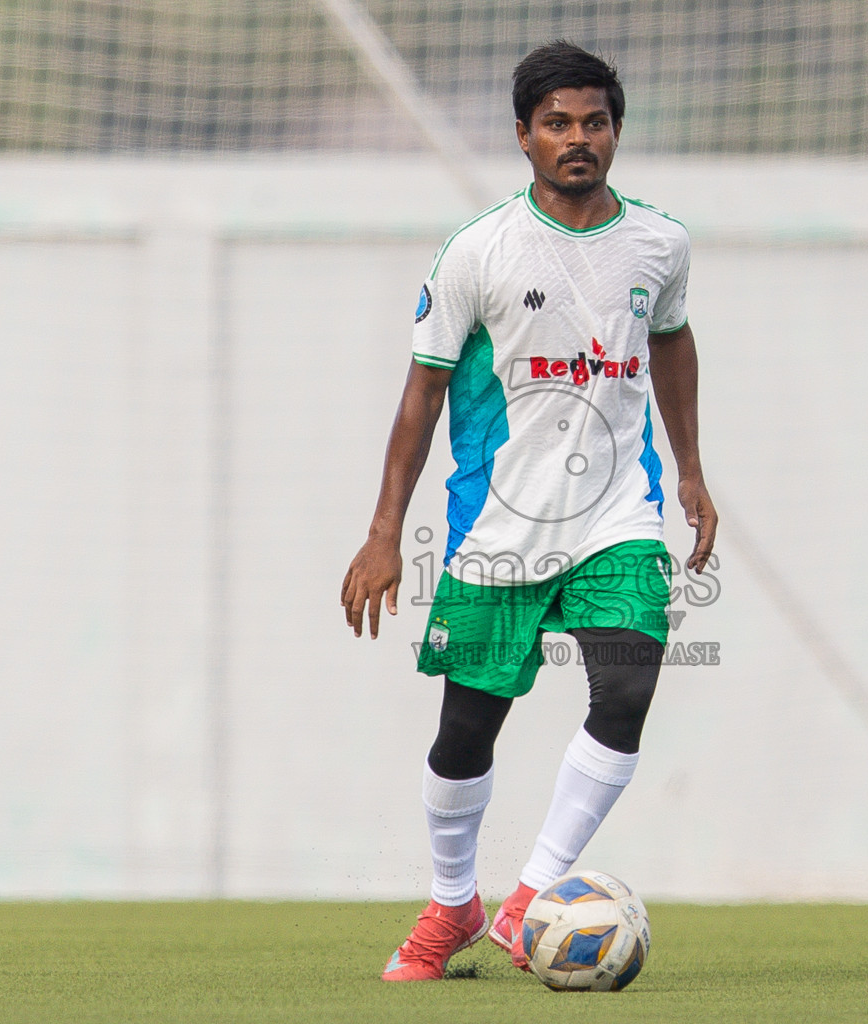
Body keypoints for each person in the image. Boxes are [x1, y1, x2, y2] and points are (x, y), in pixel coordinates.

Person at [340, 39, 717, 982]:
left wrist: (691, 472)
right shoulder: (479, 252)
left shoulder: (659, 244)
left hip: (617, 515)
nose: (577, 138)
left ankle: (531, 897)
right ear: (523, 135)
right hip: (499, 527)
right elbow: (422, 393)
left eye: (594, 122)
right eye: (557, 123)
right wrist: (385, 534)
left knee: (628, 687)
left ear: (616, 132)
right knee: (466, 731)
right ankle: (452, 905)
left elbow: (672, 343)